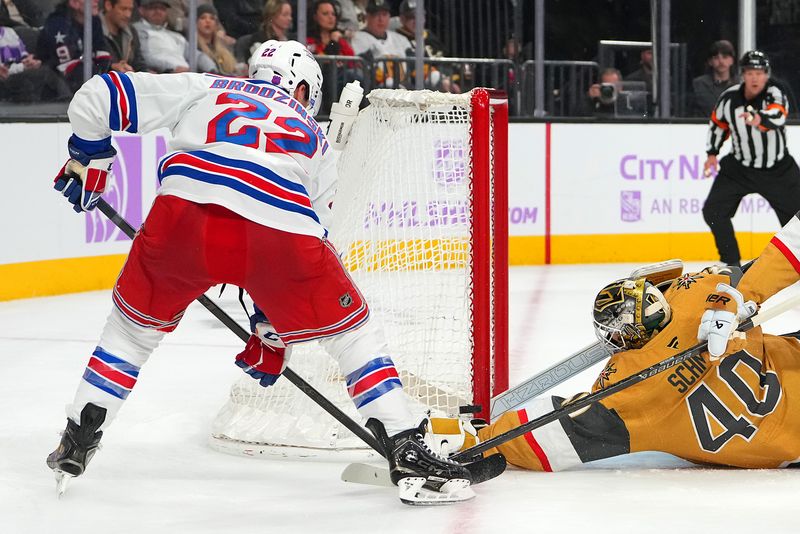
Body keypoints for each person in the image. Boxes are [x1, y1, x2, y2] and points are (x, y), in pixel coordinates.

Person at [46, 39, 482, 504]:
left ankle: (79, 436)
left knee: (130, 335)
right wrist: (271, 325)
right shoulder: (316, 138)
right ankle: (406, 445)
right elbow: (311, 239)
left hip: (182, 216)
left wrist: (90, 162)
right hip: (281, 224)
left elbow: (94, 96)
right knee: (351, 335)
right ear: (301, 88)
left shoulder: (207, 85)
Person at [431, 216, 800, 471]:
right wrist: (731, 299)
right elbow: (771, 262)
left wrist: (473, 439)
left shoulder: (623, 396)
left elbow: (542, 434)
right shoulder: (701, 293)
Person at [702, 50, 800, 268]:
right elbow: (718, 125)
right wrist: (712, 153)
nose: (755, 77)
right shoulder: (729, 98)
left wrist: (759, 118)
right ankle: (731, 262)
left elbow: (779, 115)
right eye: (750, 72)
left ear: (766, 75)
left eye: (759, 72)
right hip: (740, 168)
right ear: (742, 75)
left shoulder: (775, 92)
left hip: (778, 169)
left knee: (797, 220)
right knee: (713, 211)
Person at [35, 0, 109, 94]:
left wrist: (114, 68)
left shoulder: (94, 20)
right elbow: (70, 70)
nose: (96, 1)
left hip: (87, 84)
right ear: (74, 2)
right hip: (54, 92)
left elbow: (102, 55)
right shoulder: (57, 25)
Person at [0, 25, 70, 102]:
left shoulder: (9, 32)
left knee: (51, 69)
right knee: (43, 73)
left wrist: (32, 60)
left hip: (20, 71)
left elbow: (23, 56)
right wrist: (23, 67)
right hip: (7, 80)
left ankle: (67, 102)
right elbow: (4, 72)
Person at [351, 0, 411, 88]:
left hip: (405, 88)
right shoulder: (358, 38)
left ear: (389, 16)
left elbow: (414, 66)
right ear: (367, 17)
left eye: (384, 14)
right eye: (375, 15)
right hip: (376, 89)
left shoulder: (400, 39)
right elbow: (364, 66)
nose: (381, 19)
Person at [134, 0, 190, 73]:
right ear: (141, 10)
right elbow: (144, 57)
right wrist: (173, 67)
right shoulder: (137, 30)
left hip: (187, 74)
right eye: (153, 8)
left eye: (162, 8)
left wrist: (210, 68)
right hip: (162, 75)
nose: (158, 11)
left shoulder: (176, 36)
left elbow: (197, 56)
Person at [691, 40, 738, 117]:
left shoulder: (740, 85)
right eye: (716, 58)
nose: (721, 61)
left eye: (725, 57)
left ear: (732, 60)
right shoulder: (699, 85)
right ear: (710, 62)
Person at [194, 4, 243, 76]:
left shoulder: (224, 48)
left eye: (212, 18)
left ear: (216, 24)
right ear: (196, 23)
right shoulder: (194, 47)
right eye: (203, 18)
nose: (208, 21)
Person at [101, 0, 145, 74]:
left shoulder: (131, 32)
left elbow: (139, 64)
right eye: (123, 9)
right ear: (108, 5)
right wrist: (112, 67)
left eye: (130, 10)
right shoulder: (93, 29)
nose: (128, 15)